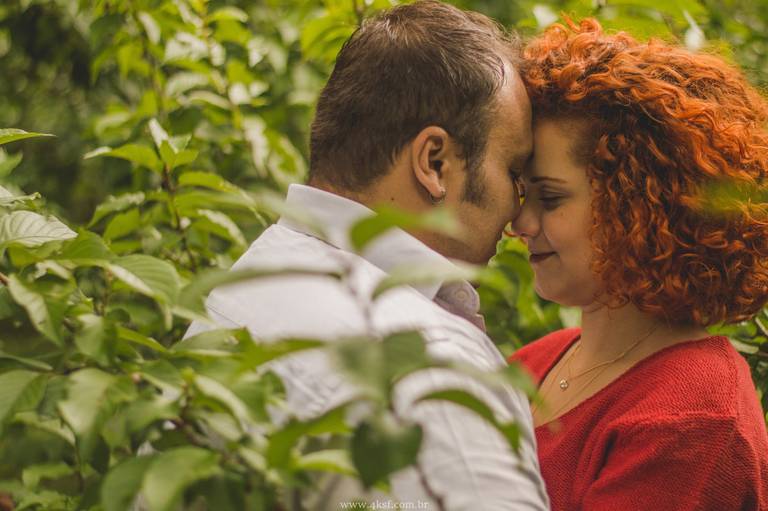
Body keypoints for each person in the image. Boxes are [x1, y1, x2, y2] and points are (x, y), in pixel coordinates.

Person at [186, 1, 549, 509]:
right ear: (435, 162)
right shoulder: (435, 368)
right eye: (514, 171)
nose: (518, 211)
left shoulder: (240, 287)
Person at [508, 18, 768, 510]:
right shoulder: (537, 361)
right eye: (523, 192)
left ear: (640, 204)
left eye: (551, 196)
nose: (520, 221)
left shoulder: (695, 416)